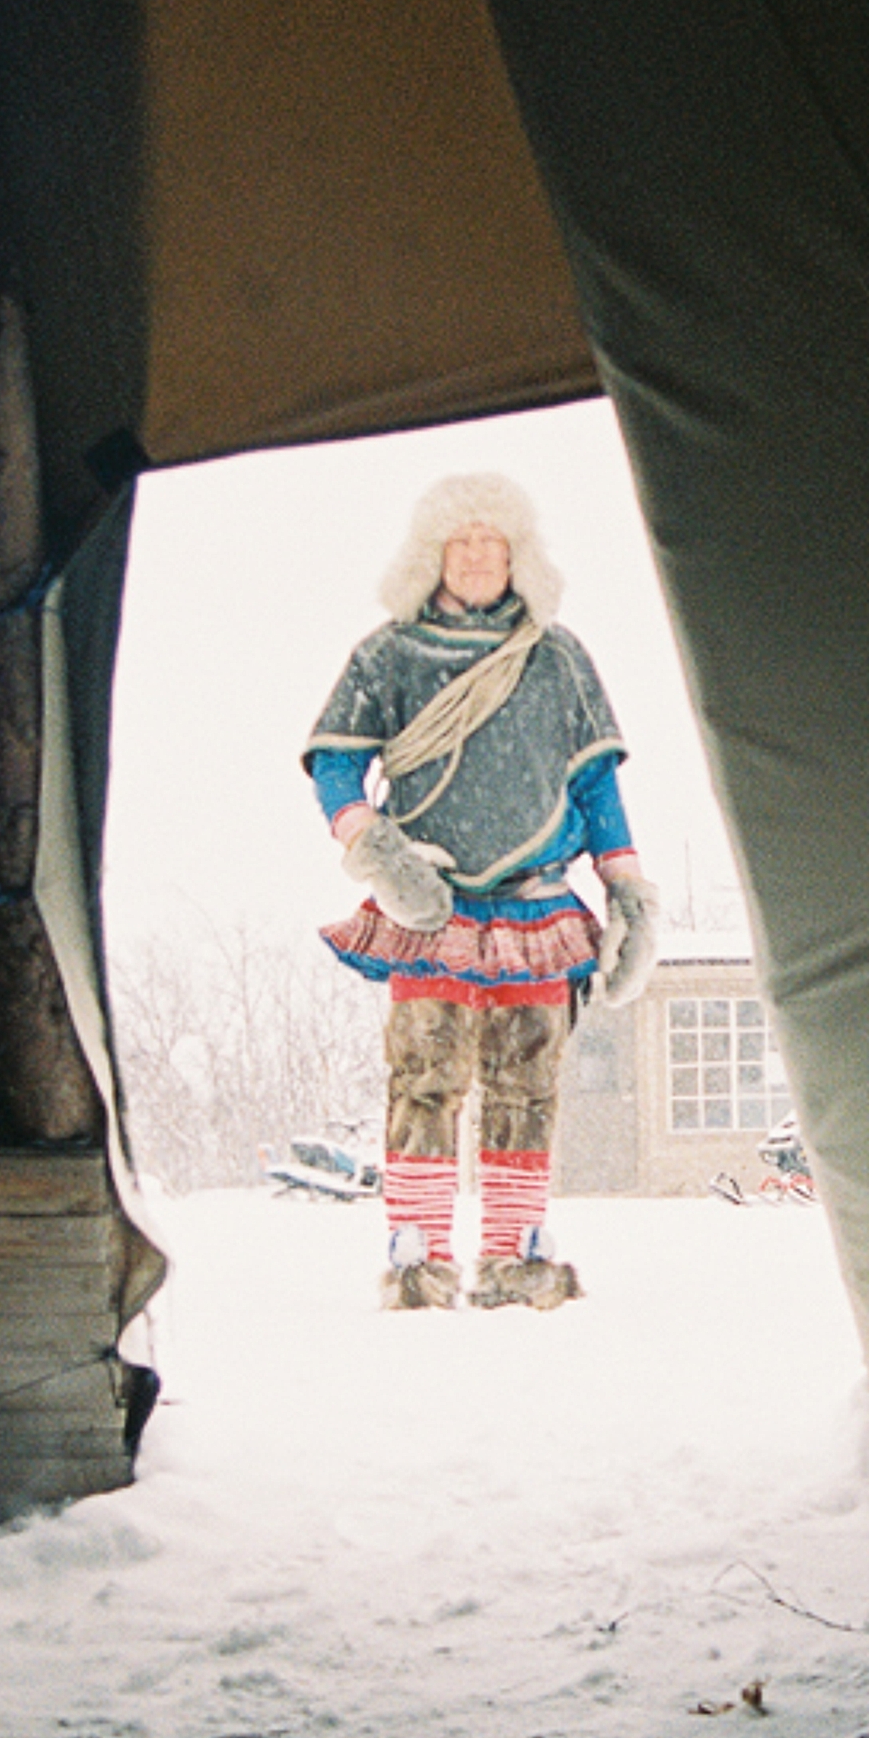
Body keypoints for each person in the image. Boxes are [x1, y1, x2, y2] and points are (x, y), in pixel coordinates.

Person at [305, 471, 659, 1310]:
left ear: (516, 556)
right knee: (423, 1077)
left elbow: (597, 788)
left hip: (539, 906)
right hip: (433, 909)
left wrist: (627, 888)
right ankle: (418, 1253)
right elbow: (334, 764)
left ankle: (514, 1253)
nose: (474, 556)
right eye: (459, 541)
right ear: (432, 554)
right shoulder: (387, 653)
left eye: (490, 542)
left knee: (527, 1084)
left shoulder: (557, 656)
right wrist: (375, 847)